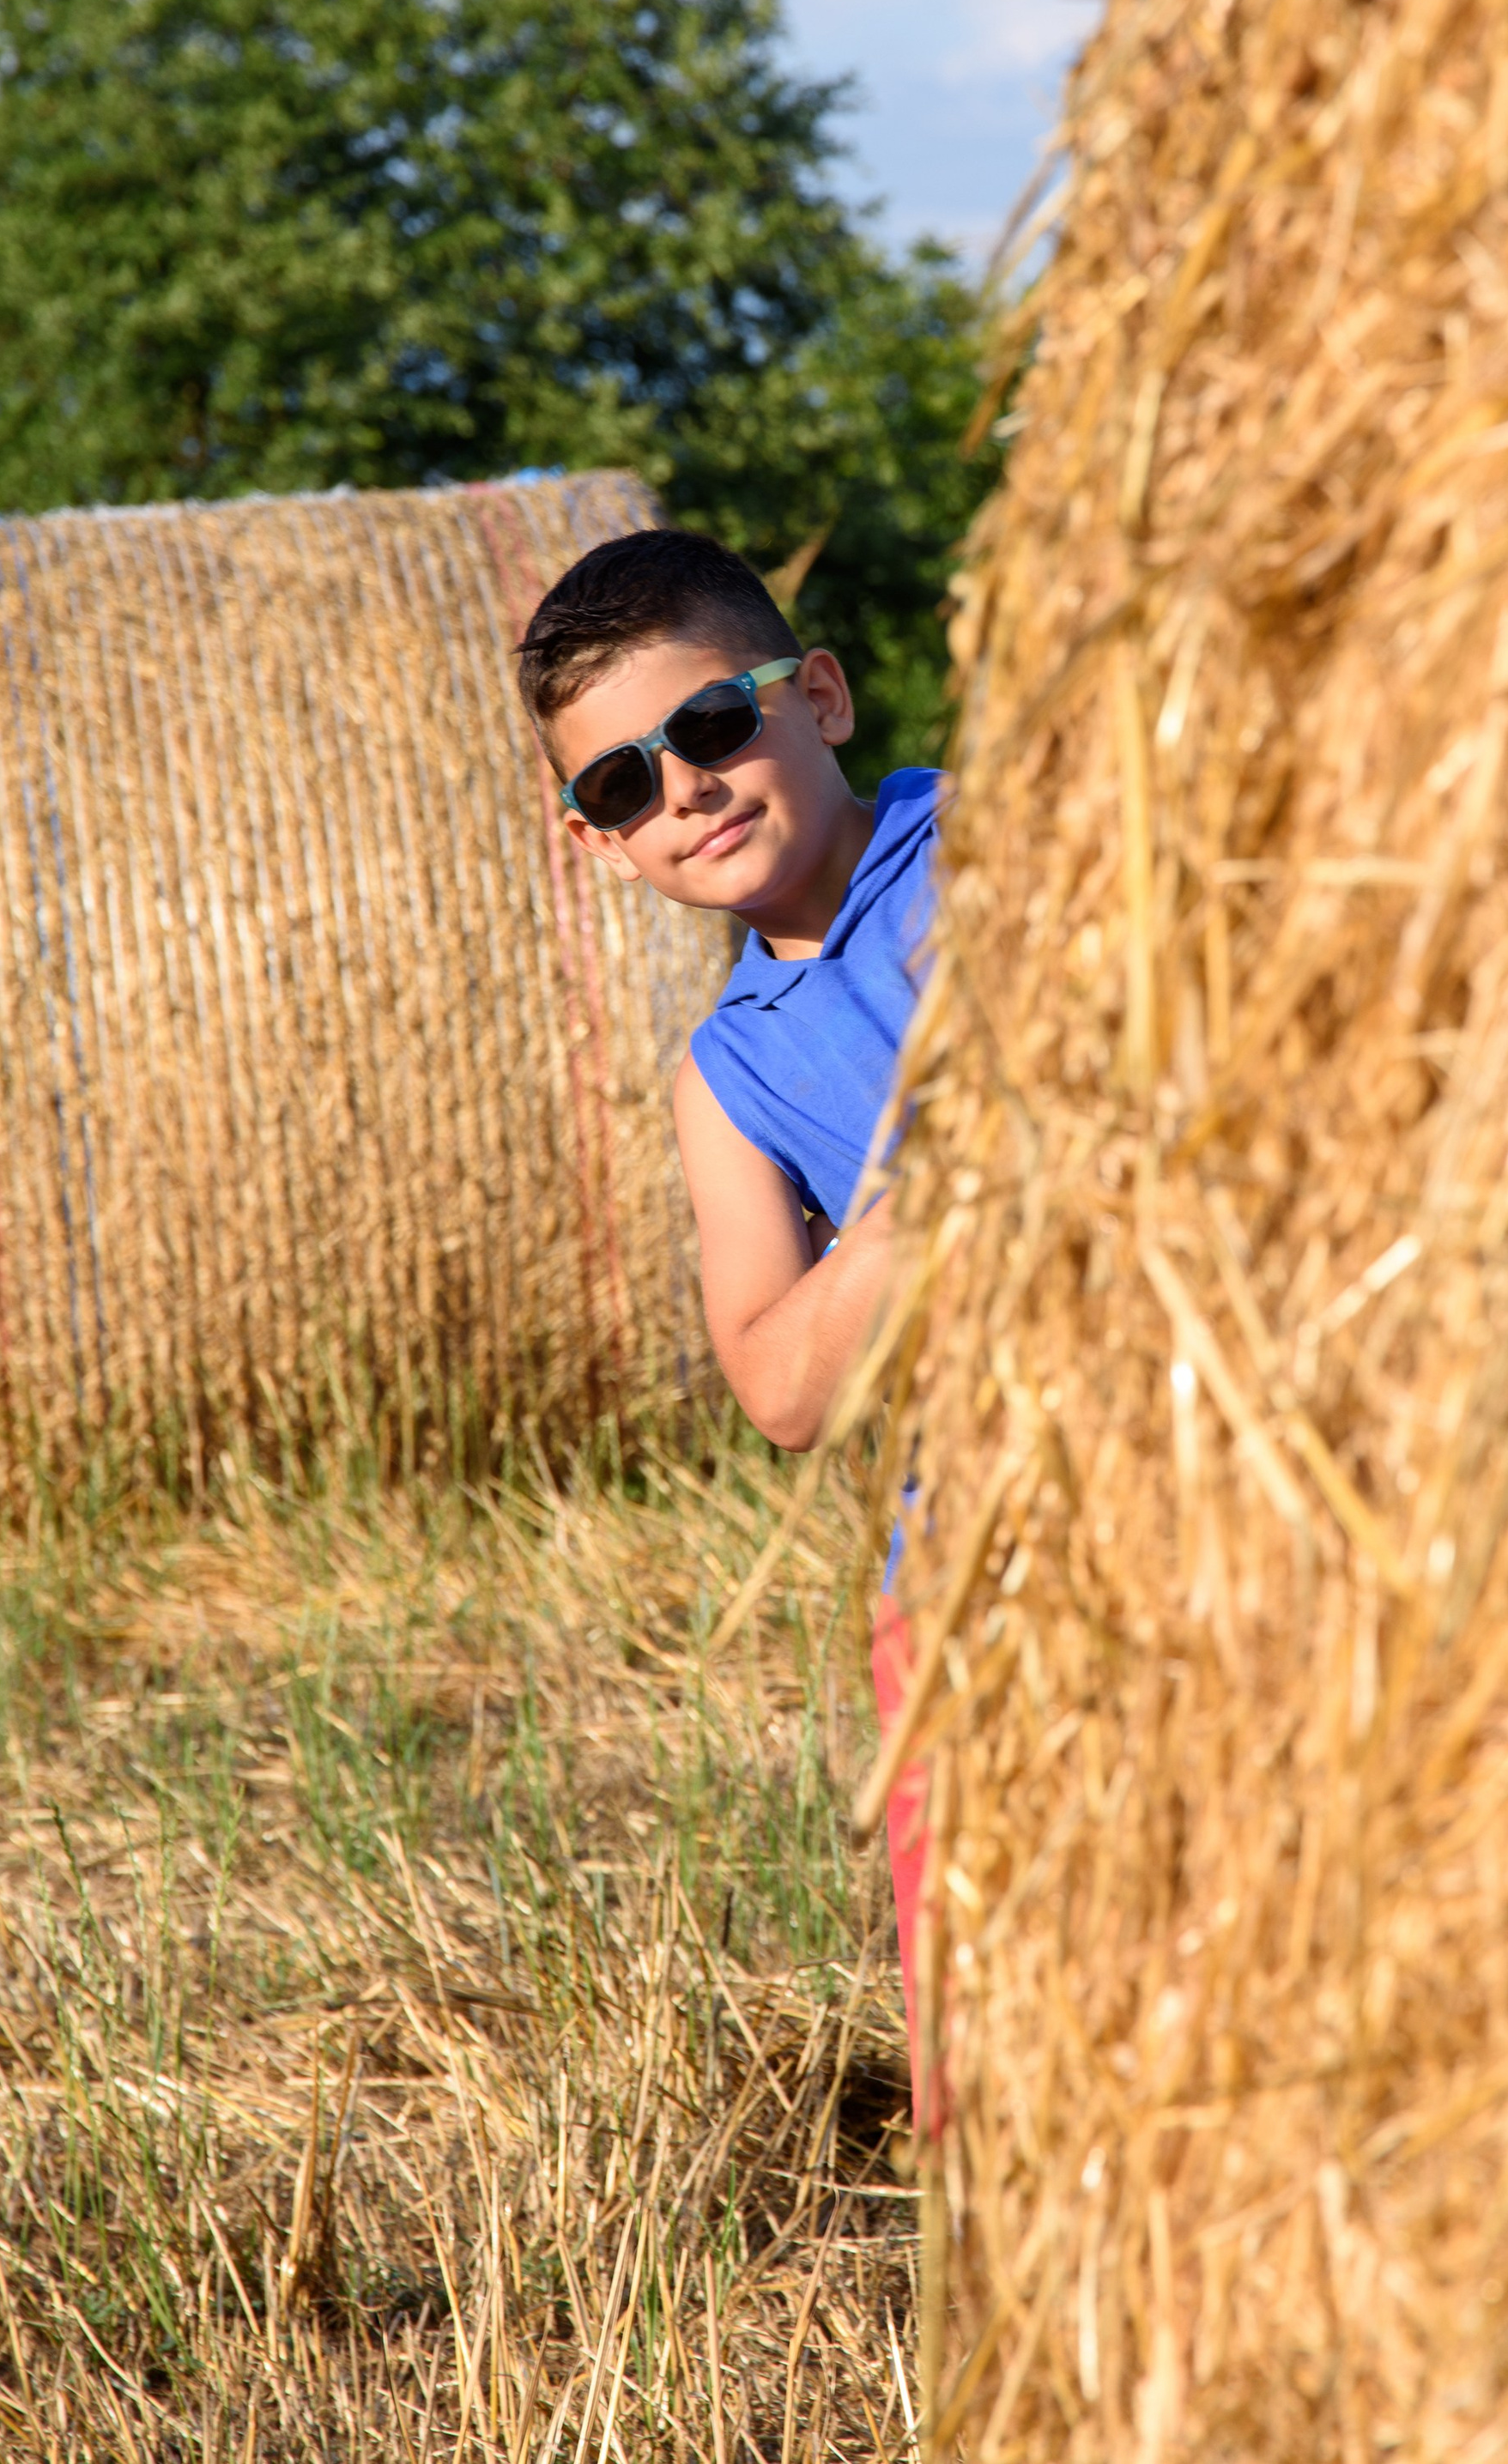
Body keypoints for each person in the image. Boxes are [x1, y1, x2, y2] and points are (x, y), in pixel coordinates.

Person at [514, 524, 942, 2121]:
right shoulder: (725, 1075)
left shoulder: (1014, 839)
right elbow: (778, 1382)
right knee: (1001, 2059)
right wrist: (924, 1205)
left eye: (708, 727)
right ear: (594, 839)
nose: (682, 787)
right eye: (624, 782)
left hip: (1223, 1506)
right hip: (967, 1588)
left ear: (816, 696)